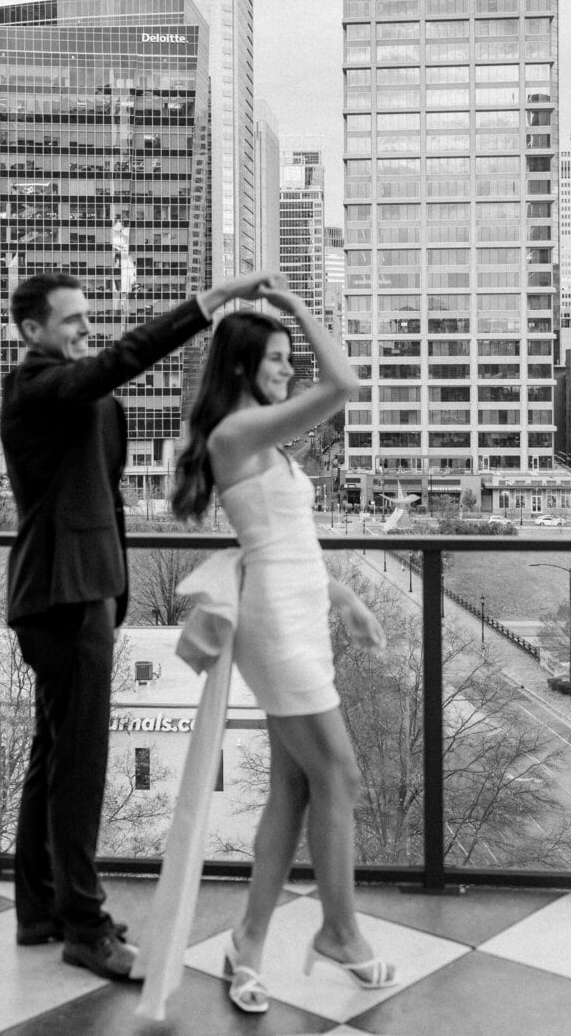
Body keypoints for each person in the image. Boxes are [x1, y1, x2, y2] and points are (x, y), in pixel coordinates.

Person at [0, 268, 277, 982]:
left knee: (55, 757)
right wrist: (209, 303)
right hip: (63, 595)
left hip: (80, 590)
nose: (86, 328)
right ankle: (84, 929)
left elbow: (102, 484)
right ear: (31, 330)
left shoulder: (71, 390)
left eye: (87, 316)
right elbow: (119, 361)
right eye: (71, 320)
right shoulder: (34, 386)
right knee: (79, 768)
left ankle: (42, 910)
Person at [172, 285, 396, 1014]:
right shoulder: (236, 435)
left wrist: (345, 597)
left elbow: (287, 541)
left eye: (290, 359)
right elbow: (344, 383)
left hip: (301, 613)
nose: (288, 370)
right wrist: (297, 305)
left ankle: (247, 945)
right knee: (342, 774)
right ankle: (340, 932)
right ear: (240, 366)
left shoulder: (260, 439)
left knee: (295, 789)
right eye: (275, 359)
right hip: (274, 627)